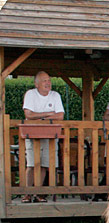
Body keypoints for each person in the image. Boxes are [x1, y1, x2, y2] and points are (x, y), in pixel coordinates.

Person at [22, 71, 64, 203]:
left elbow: (60, 115)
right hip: (32, 133)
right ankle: (27, 193)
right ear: (36, 84)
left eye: (49, 80)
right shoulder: (30, 94)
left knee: (45, 165)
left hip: (50, 135)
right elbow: (28, 114)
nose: (48, 83)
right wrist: (47, 114)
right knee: (32, 164)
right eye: (45, 81)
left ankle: (39, 193)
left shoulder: (55, 95)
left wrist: (39, 115)